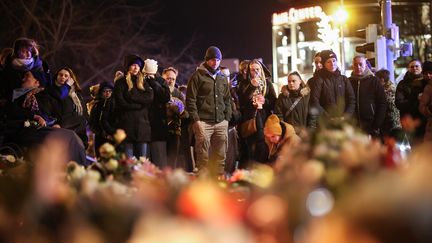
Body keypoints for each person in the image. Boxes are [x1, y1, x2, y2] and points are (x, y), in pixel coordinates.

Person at [3, 70, 88, 165]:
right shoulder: (31, 95)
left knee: (72, 135)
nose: (23, 79)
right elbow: (12, 109)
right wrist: (35, 117)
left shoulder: (72, 97)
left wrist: (58, 124)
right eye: (60, 75)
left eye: (66, 76)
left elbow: (62, 114)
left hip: (49, 127)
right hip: (30, 129)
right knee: (69, 137)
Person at [186, 46, 232, 174]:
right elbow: (190, 100)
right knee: (202, 156)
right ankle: (204, 185)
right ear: (206, 60)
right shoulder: (197, 76)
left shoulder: (222, 77)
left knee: (221, 156)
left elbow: (227, 99)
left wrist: (227, 118)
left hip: (221, 122)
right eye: (212, 59)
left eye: (217, 60)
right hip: (203, 122)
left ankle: (219, 182)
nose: (215, 62)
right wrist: (196, 120)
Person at [113, 54, 154, 158]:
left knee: (143, 162)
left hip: (142, 128)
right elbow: (120, 103)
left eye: (138, 66)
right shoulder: (121, 83)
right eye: (133, 65)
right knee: (128, 163)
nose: (136, 68)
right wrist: (140, 105)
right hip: (127, 127)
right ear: (128, 66)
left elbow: (149, 98)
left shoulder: (144, 82)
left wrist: (132, 98)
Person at [237, 59, 277, 165]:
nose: (255, 72)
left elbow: (274, 101)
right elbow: (241, 101)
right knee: (251, 149)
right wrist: (251, 86)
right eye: (252, 70)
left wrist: (265, 101)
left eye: (257, 69)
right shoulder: (244, 83)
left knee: (264, 147)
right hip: (250, 120)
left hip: (264, 119)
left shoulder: (267, 83)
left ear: (262, 70)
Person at [41, 67, 88, 148]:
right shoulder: (51, 91)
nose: (63, 77)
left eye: (66, 76)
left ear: (71, 79)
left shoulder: (77, 96)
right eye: (61, 75)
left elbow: (83, 116)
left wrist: (84, 141)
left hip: (77, 133)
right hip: (59, 130)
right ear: (56, 76)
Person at [309, 50, 355, 129]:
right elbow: (314, 101)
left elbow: (352, 100)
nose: (332, 64)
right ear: (324, 64)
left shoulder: (344, 79)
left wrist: (345, 116)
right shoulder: (319, 80)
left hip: (343, 123)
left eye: (334, 61)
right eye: (328, 62)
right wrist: (328, 117)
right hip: (326, 123)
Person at [349, 56, 386, 137]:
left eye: (360, 64)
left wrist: (376, 125)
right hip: (353, 127)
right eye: (355, 64)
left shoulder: (374, 81)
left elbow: (382, 103)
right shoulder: (349, 82)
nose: (358, 67)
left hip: (371, 126)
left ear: (365, 65)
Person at [144, 59, 171, 169]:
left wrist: (154, 83)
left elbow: (165, 97)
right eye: (147, 73)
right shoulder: (141, 81)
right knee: (145, 161)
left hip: (158, 126)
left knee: (160, 160)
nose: (149, 76)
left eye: (151, 74)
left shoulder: (160, 81)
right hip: (144, 125)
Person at [396, 59, 428, 141]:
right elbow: (399, 103)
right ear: (408, 69)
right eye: (412, 66)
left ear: (421, 68)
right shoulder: (402, 84)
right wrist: (416, 100)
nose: (414, 68)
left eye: (417, 66)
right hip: (410, 122)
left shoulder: (427, 83)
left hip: (425, 121)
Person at [88, 81, 116, 158]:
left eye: (110, 91)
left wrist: (112, 132)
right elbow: (91, 122)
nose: (107, 93)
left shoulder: (115, 104)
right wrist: (99, 132)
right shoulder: (96, 105)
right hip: (100, 137)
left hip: (113, 137)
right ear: (101, 92)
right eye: (105, 91)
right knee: (100, 158)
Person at [375, 69, 401, 136]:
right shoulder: (384, 88)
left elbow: (386, 103)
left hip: (391, 121)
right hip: (388, 120)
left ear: (382, 79)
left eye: (377, 79)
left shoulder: (390, 89)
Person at [418, 61, 432, 142]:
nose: (428, 75)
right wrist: (429, 109)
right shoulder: (428, 87)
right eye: (426, 73)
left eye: (430, 73)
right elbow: (422, 107)